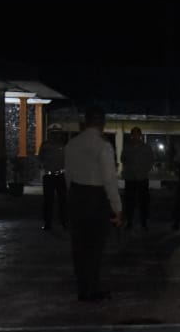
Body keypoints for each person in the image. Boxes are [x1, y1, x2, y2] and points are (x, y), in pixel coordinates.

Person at [64, 106, 123, 301]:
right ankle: (92, 288)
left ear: (85, 122)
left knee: (79, 246)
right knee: (95, 246)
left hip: (77, 195)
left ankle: (82, 288)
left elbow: (68, 175)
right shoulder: (103, 146)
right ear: (102, 123)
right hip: (96, 198)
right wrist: (117, 208)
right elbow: (109, 180)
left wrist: (72, 195)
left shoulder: (72, 144)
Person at [120, 126, 153, 230]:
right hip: (130, 178)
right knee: (129, 201)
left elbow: (150, 160)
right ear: (131, 135)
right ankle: (129, 221)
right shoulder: (127, 147)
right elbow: (123, 159)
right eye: (133, 134)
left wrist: (143, 170)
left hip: (142, 178)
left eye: (137, 134)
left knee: (143, 201)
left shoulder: (146, 147)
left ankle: (144, 222)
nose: (135, 136)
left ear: (140, 135)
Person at [38, 127, 69, 231]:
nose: (55, 135)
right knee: (48, 200)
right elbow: (40, 158)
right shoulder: (45, 145)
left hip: (61, 175)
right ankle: (47, 223)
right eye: (53, 133)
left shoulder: (64, 145)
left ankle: (64, 222)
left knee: (63, 200)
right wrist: (43, 166)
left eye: (57, 133)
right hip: (49, 176)